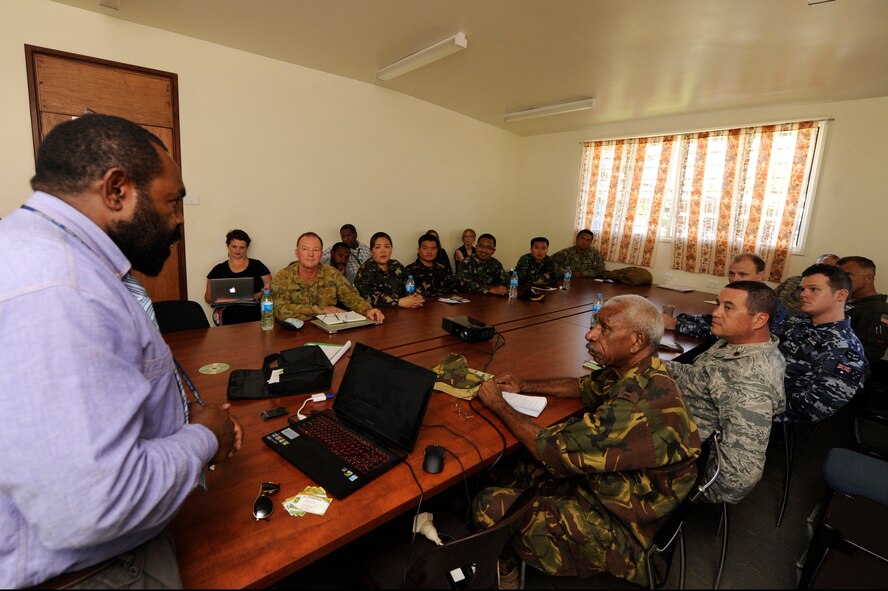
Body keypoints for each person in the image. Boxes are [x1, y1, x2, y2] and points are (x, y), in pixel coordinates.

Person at [0, 114, 243, 588]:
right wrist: (203, 435)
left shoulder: (44, 254)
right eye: (173, 201)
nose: (179, 219)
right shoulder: (59, 290)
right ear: (117, 190)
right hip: (100, 571)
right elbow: (94, 505)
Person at [472, 295, 700, 586]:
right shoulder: (641, 371)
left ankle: (507, 574)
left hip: (621, 532)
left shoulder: (633, 407)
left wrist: (500, 406)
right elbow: (581, 386)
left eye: (604, 328)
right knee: (511, 468)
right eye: (596, 324)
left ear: (636, 341)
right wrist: (525, 384)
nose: (590, 334)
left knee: (487, 504)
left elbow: (550, 450)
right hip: (616, 490)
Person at [665, 282, 786, 504]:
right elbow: (700, 378)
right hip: (674, 419)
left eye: (728, 308)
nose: (716, 313)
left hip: (677, 454)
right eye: (719, 304)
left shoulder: (750, 379)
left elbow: (741, 476)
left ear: (759, 320)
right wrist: (650, 364)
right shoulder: (737, 344)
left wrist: (691, 491)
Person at [774, 264, 867, 423]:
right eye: (802, 289)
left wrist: (756, 404)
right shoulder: (799, 321)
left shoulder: (845, 349)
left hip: (772, 405)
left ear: (840, 295)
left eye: (813, 289)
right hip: (758, 382)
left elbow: (815, 408)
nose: (803, 294)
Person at [664, 253, 787, 341]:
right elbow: (713, 319)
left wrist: (678, 325)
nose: (735, 279)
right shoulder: (742, 293)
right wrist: (680, 319)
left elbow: (730, 334)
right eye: (732, 273)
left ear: (760, 276)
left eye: (742, 274)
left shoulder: (766, 302)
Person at [273, 232, 385, 322]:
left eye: (315, 250)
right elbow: (280, 311)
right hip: (292, 335)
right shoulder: (282, 277)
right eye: (305, 249)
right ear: (297, 253)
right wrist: (324, 310)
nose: (310, 254)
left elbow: (351, 297)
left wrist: (367, 310)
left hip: (329, 331)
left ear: (321, 254)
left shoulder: (332, 274)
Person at [204, 228, 272, 325]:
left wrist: (257, 295)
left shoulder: (257, 265)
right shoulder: (218, 269)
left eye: (242, 247)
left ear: (247, 248)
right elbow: (207, 298)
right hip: (228, 313)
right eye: (234, 246)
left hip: (256, 312)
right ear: (228, 246)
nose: (238, 250)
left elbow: (270, 286)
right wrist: (223, 297)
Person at [837, 256, 888, 368]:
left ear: (869, 278)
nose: (842, 280)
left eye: (848, 275)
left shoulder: (877, 309)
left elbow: (868, 354)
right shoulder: (844, 300)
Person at [354, 232, 424, 309]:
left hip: (403, 312)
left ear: (391, 249)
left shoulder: (396, 265)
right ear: (371, 251)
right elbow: (369, 296)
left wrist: (417, 295)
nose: (383, 251)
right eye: (378, 247)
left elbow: (410, 282)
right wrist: (398, 302)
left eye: (387, 247)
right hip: (378, 314)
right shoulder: (364, 270)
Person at [405, 233, 458, 297]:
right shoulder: (409, 271)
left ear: (437, 250)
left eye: (433, 248)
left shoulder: (443, 269)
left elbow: (455, 290)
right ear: (418, 250)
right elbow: (409, 295)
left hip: (444, 306)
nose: (429, 251)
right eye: (425, 248)